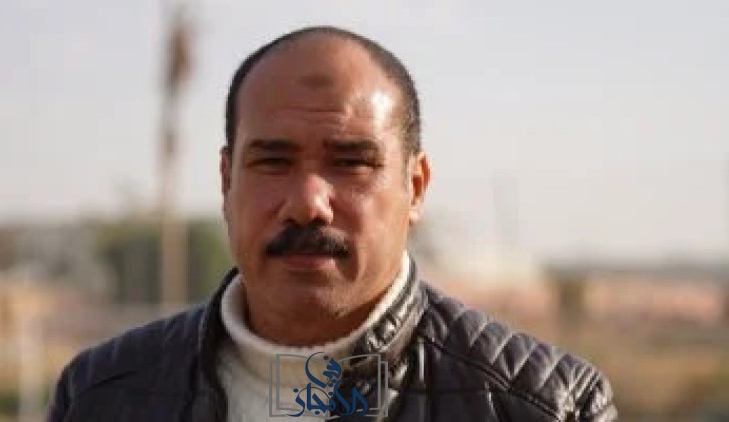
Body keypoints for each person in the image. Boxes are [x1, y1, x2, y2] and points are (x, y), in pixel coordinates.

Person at [48, 26, 617, 421]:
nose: (308, 204)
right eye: (273, 161)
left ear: (415, 187)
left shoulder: (543, 407)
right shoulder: (100, 396)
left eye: (351, 163)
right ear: (226, 181)